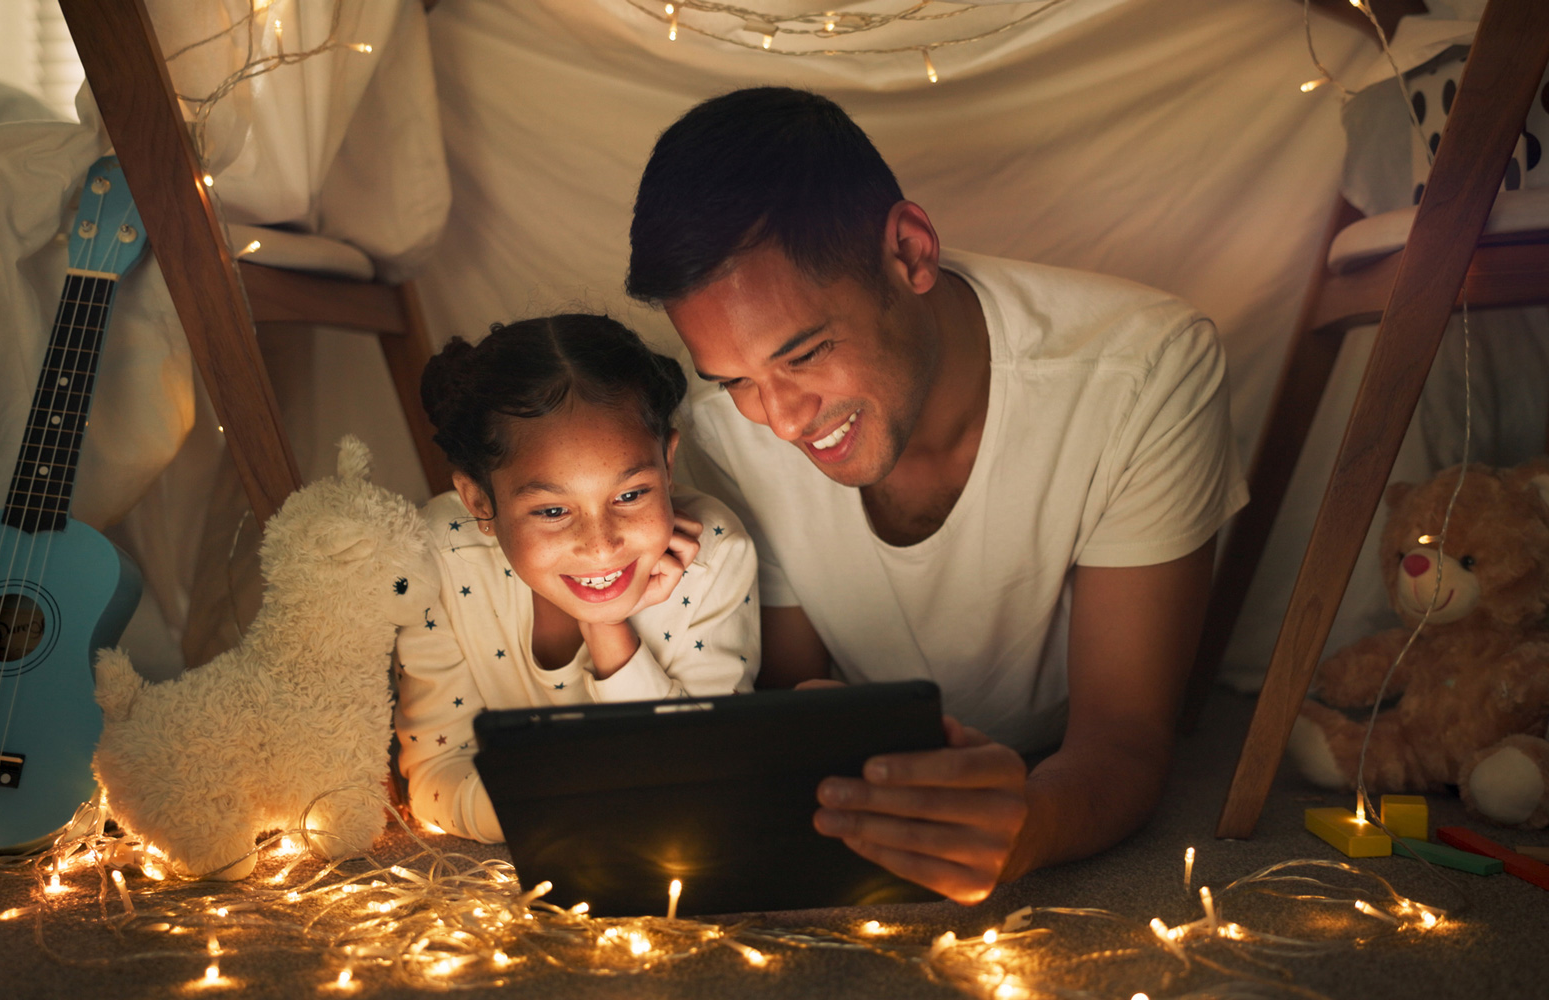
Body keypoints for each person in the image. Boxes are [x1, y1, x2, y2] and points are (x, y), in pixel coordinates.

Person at [627, 88, 1248, 904]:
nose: (779, 419)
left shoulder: (1143, 369)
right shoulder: (722, 431)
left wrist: (1031, 825)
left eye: (806, 353)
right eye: (737, 379)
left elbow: (1126, 738)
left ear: (911, 251)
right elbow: (787, 685)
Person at [394, 314, 760, 843]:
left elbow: (702, 776)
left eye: (631, 495)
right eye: (551, 511)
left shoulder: (715, 554)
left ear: (668, 462)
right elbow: (435, 775)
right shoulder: (440, 554)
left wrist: (607, 626)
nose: (601, 544)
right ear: (479, 501)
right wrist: (586, 814)